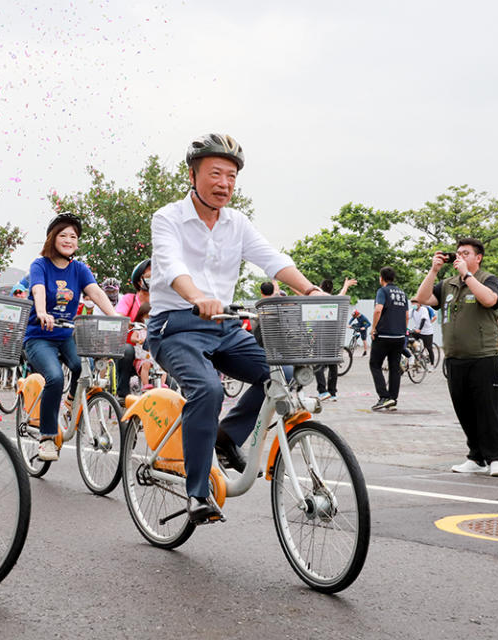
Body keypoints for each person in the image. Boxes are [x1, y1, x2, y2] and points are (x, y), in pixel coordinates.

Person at [147, 133, 325, 522]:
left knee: (283, 371)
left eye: (231, 176)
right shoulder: (167, 218)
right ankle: (197, 494)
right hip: (175, 326)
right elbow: (172, 265)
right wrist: (196, 296)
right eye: (215, 173)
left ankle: (227, 435)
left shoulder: (237, 223)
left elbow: (271, 258)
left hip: (225, 326)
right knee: (207, 389)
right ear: (193, 175)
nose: (224, 183)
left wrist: (309, 289)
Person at [23, 213, 119, 461]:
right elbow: (38, 289)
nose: (68, 240)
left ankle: (68, 405)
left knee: (81, 365)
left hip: (66, 333)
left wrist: (117, 317)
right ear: (53, 238)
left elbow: (96, 293)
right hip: (39, 335)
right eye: (63, 235)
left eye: (73, 236)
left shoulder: (79, 269)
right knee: (54, 376)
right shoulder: (40, 265)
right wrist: (42, 311)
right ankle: (46, 438)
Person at [415, 238, 498, 477]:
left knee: (487, 409)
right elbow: (422, 298)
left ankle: (495, 458)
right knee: (463, 409)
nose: (460, 257)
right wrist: (433, 270)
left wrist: (467, 276)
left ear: (478, 257)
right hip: (455, 357)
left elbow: (489, 300)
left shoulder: (487, 279)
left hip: (483, 356)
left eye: (466, 253)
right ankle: (476, 457)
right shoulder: (447, 284)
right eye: (458, 253)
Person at [369, 267, 409, 411]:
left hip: (384, 335)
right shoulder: (402, 293)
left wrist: (373, 328)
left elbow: (378, 309)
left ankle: (383, 397)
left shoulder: (383, 291)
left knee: (375, 364)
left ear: (381, 278)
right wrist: (403, 331)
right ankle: (392, 398)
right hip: (399, 336)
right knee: (394, 368)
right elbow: (406, 315)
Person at [114, 258, 151, 404]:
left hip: (149, 353)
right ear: (139, 280)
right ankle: (123, 394)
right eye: (148, 277)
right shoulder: (130, 299)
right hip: (130, 352)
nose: (152, 280)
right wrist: (127, 323)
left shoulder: (159, 302)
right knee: (128, 349)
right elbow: (119, 316)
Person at [314, 277, 356, 401]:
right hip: (334, 337)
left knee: (318, 364)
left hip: (321, 337)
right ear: (331, 289)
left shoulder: (317, 302)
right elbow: (342, 294)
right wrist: (346, 285)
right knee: (333, 364)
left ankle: (322, 391)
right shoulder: (335, 301)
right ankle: (332, 393)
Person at [130, 302, 154, 389]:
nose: (148, 319)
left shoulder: (154, 330)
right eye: (146, 317)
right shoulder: (139, 329)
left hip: (153, 358)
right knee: (146, 364)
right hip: (142, 359)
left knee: (161, 367)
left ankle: (162, 383)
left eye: (151, 317)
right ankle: (145, 384)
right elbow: (132, 338)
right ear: (141, 317)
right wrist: (139, 340)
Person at [409, 298, 436, 366]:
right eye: (412, 303)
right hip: (418, 331)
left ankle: (432, 365)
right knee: (410, 340)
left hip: (427, 332)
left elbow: (423, 319)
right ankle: (417, 354)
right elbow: (406, 317)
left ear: (419, 304)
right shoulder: (412, 311)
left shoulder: (423, 309)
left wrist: (420, 329)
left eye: (415, 303)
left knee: (429, 348)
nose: (413, 304)